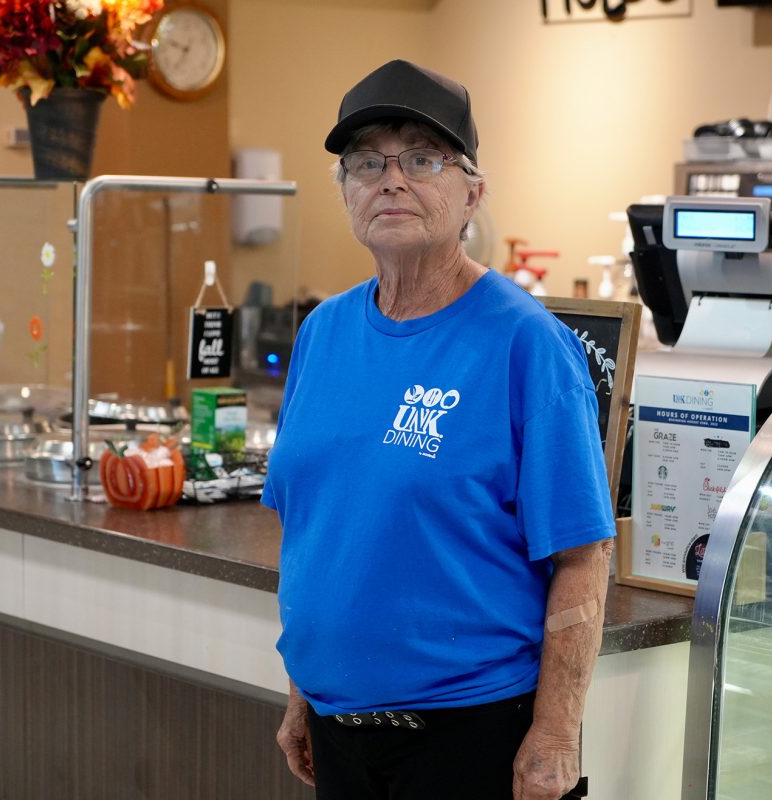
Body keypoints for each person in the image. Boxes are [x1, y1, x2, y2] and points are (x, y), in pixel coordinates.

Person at [261, 59, 616, 800]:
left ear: (472, 193)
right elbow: (315, 533)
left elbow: (583, 559)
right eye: (365, 163)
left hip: (469, 735)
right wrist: (301, 690)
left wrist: (556, 736)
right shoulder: (323, 332)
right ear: (345, 192)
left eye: (421, 158)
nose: (391, 180)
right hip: (337, 728)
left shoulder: (527, 345)